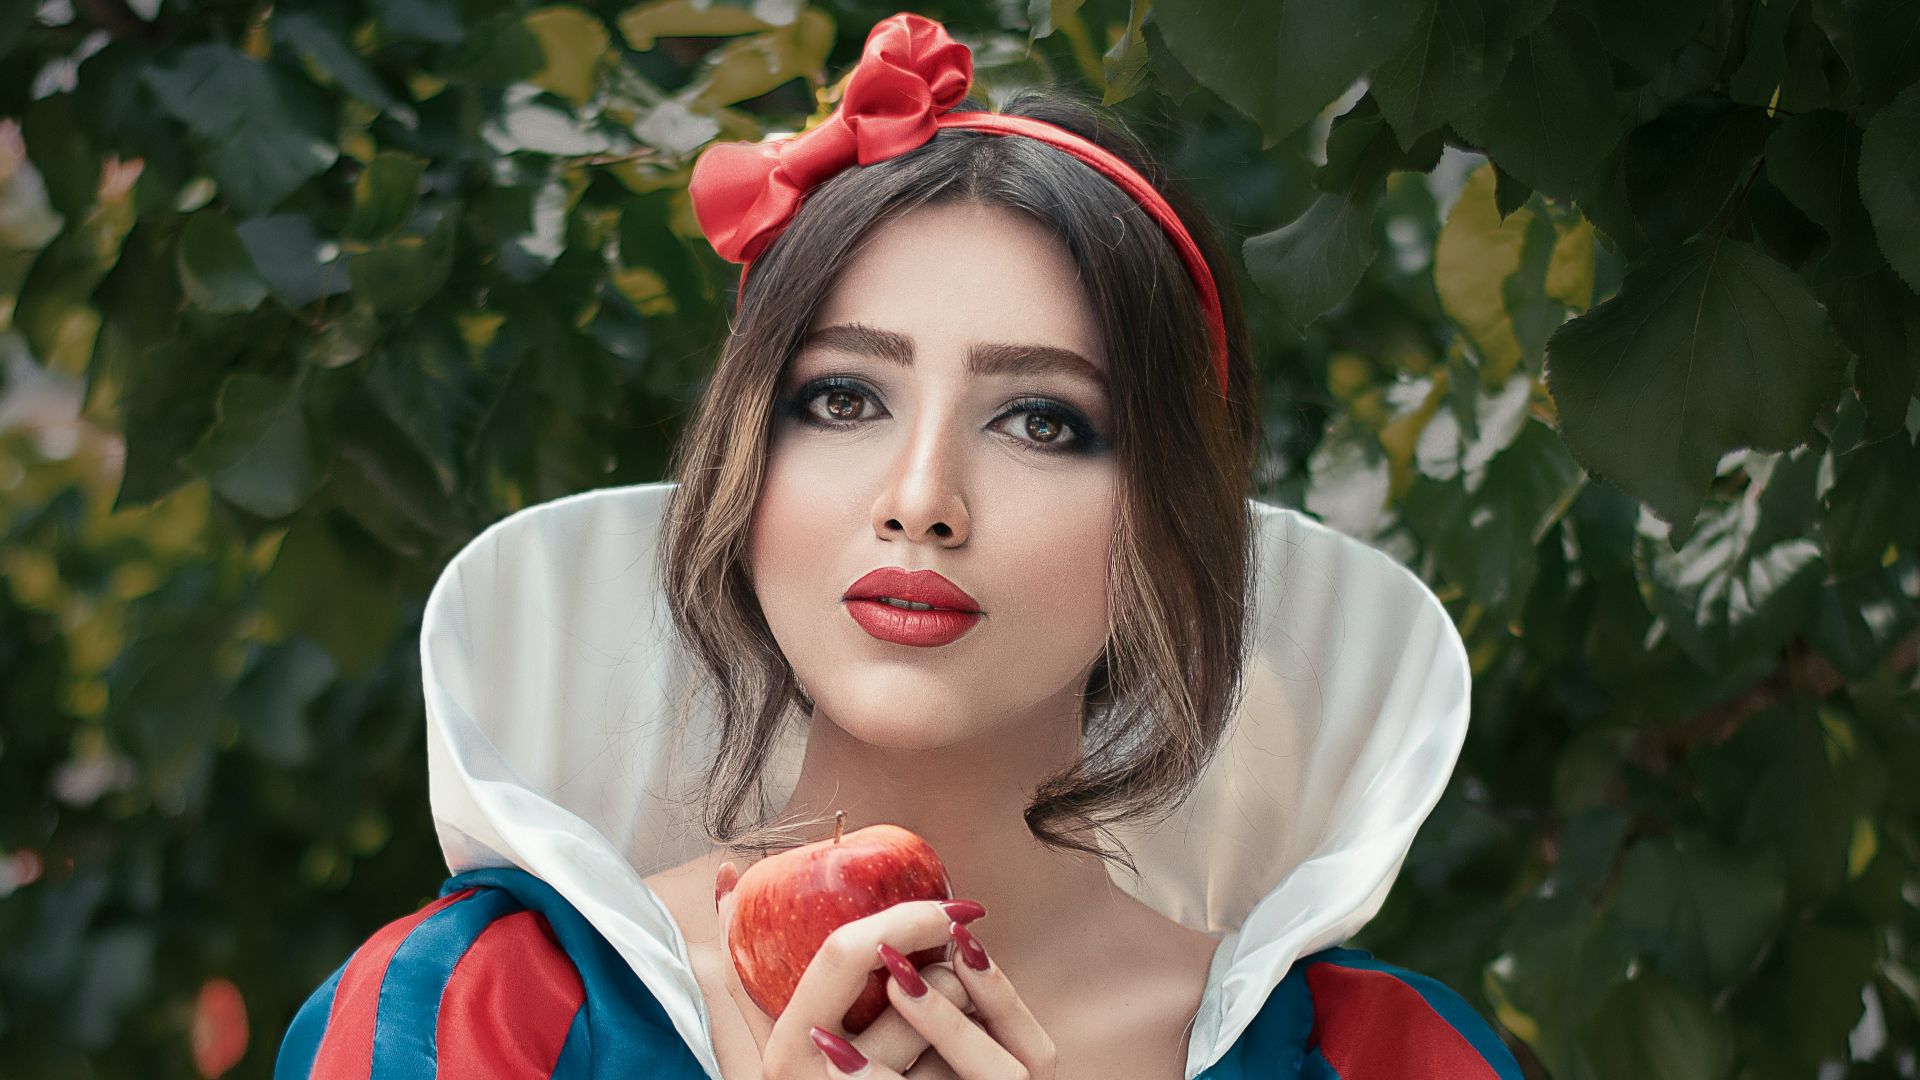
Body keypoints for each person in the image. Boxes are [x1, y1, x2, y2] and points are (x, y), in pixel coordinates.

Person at [274, 12, 1524, 1080]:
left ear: (1165, 513)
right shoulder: (471, 1016)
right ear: (743, 467)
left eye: (1043, 419)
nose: (922, 499)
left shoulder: (1380, 1054)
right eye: (843, 400)